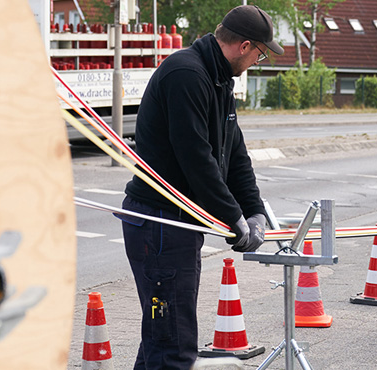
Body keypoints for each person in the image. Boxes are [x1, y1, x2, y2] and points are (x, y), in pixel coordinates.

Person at [116, 5, 284, 369]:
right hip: (160, 224)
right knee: (173, 346)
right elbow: (197, 159)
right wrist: (233, 219)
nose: (259, 60)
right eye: (261, 53)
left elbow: (234, 154)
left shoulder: (218, 79)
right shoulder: (187, 75)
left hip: (175, 225)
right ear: (244, 45)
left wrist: (253, 210)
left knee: (161, 340)